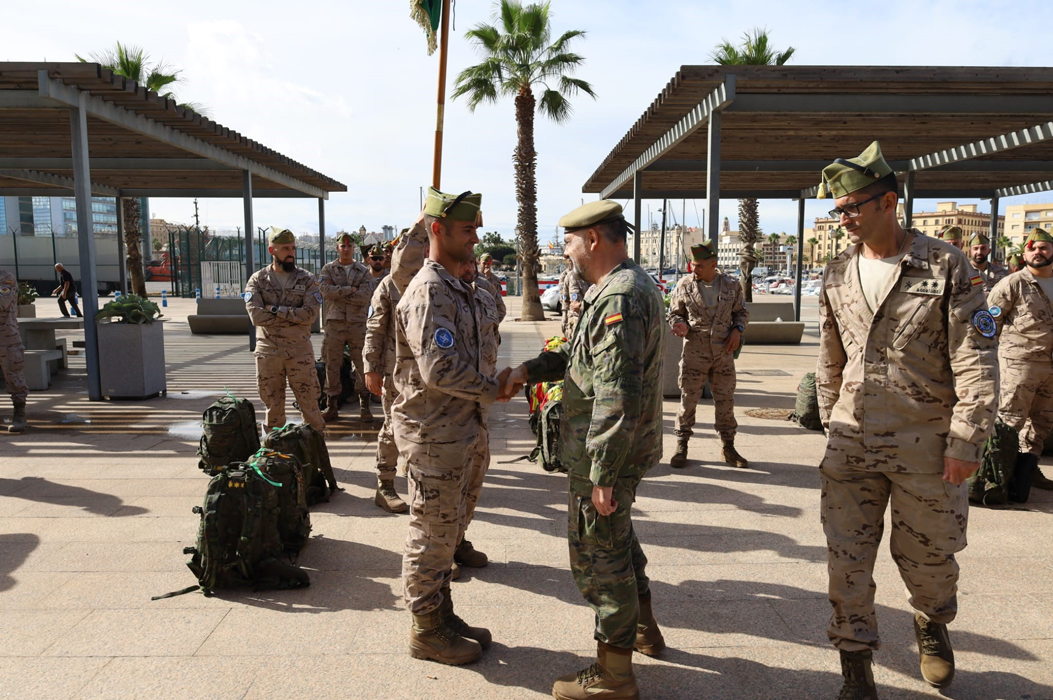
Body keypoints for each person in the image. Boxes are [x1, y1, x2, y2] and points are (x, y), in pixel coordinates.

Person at [815, 142, 997, 699]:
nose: (843, 219)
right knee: (847, 558)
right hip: (852, 440)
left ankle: (931, 620)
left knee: (929, 558)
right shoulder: (839, 268)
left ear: (888, 202)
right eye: (837, 211)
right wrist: (828, 414)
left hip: (927, 442)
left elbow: (976, 356)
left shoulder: (946, 264)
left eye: (851, 208)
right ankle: (855, 666)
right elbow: (830, 350)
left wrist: (968, 437)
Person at [502, 200, 666, 700]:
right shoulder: (620, 287)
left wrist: (603, 473)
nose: (566, 250)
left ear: (593, 239)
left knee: (600, 557)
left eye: (569, 241)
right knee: (619, 540)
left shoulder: (622, 297)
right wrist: (527, 371)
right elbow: (582, 360)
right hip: (617, 454)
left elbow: (618, 394)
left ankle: (614, 675)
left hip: (608, 458)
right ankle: (642, 630)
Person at [394, 187, 503, 666]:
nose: (475, 238)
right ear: (437, 230)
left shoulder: (460, 285)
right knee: (431, 533)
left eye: (477, 228)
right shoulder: (429, 290)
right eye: (467, 230)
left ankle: (442, 612)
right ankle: (425, 629)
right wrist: (493, 388)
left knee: (448, 532)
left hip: (462, 429)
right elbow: (439, 369)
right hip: (434, 435)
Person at [363, 226, 428, 515]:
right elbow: (374, 329)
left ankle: (420, 481)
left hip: (428, 372)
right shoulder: (388, 286)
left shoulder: (433, 280)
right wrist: (371, 368)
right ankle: (384, 485)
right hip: (395, 371)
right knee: (392, 427)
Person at [667, 240, 749, 469]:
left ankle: (728, 447)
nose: (694, 269)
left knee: (725, 401)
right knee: (688, 400)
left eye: (700, 265)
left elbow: (741, 312)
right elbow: (674, 314)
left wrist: (737, 330)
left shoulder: (732, 285)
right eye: (693, 265)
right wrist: (679, 324)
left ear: (714, 264)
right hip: (695, 352)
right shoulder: (684, 286)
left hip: (723, 353)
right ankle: (681, 444)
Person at [987, 228, 1053, 492]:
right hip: (1019, 365)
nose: (1038, 252)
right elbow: (988, 325)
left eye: (1044, 247)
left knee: (1043, 423)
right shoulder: (1012, 283)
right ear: (1025, 253)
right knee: (1010, 420)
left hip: (1050, 367)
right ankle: (997, 478)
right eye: (1032, 248)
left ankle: (1027, 472)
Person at [244, 228, 325, 433]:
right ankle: (274, 458)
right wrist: (292, 316)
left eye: (293, 248)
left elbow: (309, 316)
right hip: (268, 353)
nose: (291, 252)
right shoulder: (258, 280)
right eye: (285, 248)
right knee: (273, 409)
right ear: (272, 250)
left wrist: (273, 309)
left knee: (310, 408)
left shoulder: (307, 280)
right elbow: (256, 316)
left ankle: (316, 456)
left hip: (299, 352)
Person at [450, 257, 502, 573]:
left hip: (479, 404)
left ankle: (457, 539)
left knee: (476, 473)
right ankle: (436, 553)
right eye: (463, 259)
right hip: (448, 408)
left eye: (473, 259)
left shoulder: (483, 293)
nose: (469, 265)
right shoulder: (437, 294)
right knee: (444, 482)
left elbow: (495, 330)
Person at [318, 232, 374, 423]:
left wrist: (339, 293)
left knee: (361, 364)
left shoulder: (363, 271)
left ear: (354, 249)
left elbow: (366, 294)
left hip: (358, 323)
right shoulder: (328, 269)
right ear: (338, 248)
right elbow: (325, 291)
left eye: (349, 246)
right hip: (335, 323)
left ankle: (364, 404)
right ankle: (331, 404)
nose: (346, 249)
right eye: (343, 246)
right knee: (332, 364)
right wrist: (350, 290)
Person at [0, 268, 28, 433]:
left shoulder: (5, 278)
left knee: (13, 376)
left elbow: (2, 304)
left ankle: (19, 414)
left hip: (6, 338)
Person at [558, 254, 590, 338]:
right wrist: (564, 315)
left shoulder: (589, 275)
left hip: (588, 315)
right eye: (568, 257)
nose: (570, 259)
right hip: (574, 316)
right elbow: (564, 297)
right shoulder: (566, 276)